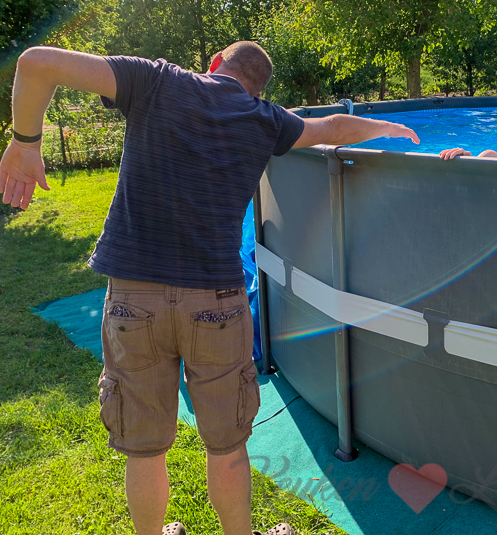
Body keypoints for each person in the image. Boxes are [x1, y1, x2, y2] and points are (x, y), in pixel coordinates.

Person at [0, 43, 420, 535]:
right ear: (260, 86)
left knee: (144, 448)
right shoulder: (266, 119)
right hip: (217, 303)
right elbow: (332, 128)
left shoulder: (157, 80)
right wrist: (388, 127)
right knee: (226, 445)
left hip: (134, 297)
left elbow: (36, 63)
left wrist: (26, 143)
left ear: (217, 61)